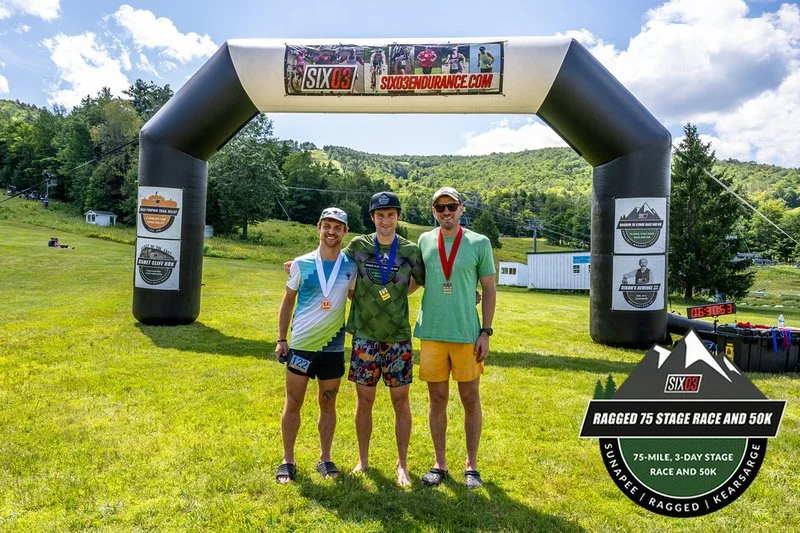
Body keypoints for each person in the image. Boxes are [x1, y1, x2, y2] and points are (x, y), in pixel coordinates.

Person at [414, 186, 496, 490]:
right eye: (440, 208)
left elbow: (488, 289)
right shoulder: (423, 240)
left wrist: (485, 331)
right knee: (437, 400)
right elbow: (411, 279)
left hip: (466, 335)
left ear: (461, 208)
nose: (446, 212)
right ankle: (440, 463)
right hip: (432, 333)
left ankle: (471, 465)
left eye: (451, 207)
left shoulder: (479, 242)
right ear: (433, 212)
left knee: (470, 399)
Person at [345, 192, 425, 487]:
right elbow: (337, 270)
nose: (386, 220)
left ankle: (402, 464)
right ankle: (363, 460)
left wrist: (398, 293)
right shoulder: (358, 245)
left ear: (398, 216)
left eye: (391, 214)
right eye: (380, 215)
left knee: (401, 402)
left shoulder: (410, 249)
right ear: (372, 218)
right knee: (364, 401)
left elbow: (421, 279)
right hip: (365, 337)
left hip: (398, 339)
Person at [274, 207, 357, 483]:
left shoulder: (350, 266)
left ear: (345, 232)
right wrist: (282, 339)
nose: (331, 232)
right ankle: (288, 459)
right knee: (293, 403)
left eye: (338, 227)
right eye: (327, 226)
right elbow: (288, 300)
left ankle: (325, 457)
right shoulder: (302, 263)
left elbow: (358, 298)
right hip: (301, 347)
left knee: (328, 405)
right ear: (318, 228)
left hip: (332, 350)